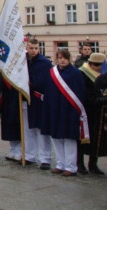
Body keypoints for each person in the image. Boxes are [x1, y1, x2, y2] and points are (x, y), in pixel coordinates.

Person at [42, 48, 87, 177]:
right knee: (56, 137)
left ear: (69, 59)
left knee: (69, 138)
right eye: (60, 58)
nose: (62, 60)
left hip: (69, 110)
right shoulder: (52, 73)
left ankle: (71, 166)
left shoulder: (75, 73)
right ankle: (60, 164)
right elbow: (48, 91)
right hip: (54, 110)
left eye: (64, 58)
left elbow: (80, 94)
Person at [25, 38, 54, 169]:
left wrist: (32, 84)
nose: (34, 51)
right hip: (27, 99)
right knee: (29, 129)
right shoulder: (24, 61)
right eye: (31, 48)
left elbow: (46, 81)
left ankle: (45, 158)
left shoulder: (45, 63)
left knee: (42, 130)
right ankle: (30, 155)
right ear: (27, 47)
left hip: (40, 99)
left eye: (36, 48)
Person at [78, 52, 107, 175]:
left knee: (97, 139)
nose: (98, 67)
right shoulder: (82, 74)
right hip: (85, 111)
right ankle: (80, 164)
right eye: (96, 64)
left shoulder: (103, 76)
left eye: (100, 65)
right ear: (90, 63)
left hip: (99, 113)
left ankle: (93, 164)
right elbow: (86, 95)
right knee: (83, 138)